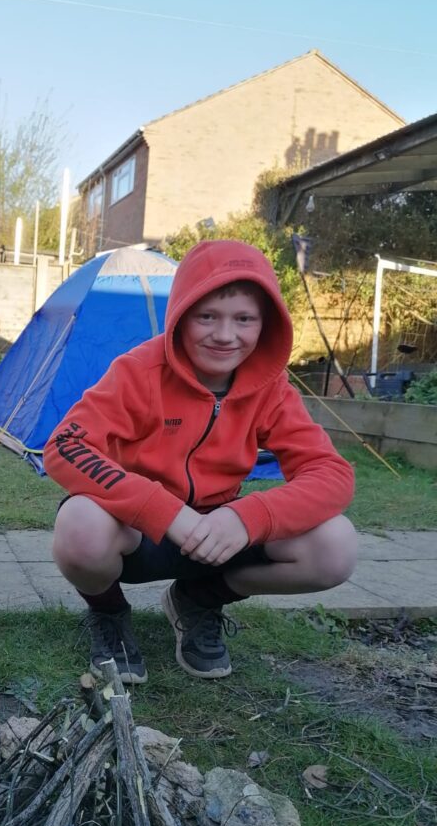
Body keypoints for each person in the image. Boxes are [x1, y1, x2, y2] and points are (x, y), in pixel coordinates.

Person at [44, 239, 357, 686]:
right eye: (207, 316)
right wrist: (164, 511)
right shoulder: (138, 371)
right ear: (180, 315)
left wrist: (246, 518)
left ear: (266, 324)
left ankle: (198, 600)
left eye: (244, 319)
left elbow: (332, 474)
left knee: (336, 546)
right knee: (79, 524)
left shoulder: (271, 387)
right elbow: (65, 446)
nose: (225, 335)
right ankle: (108, 613)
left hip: (220, 536)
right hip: (140, 533)